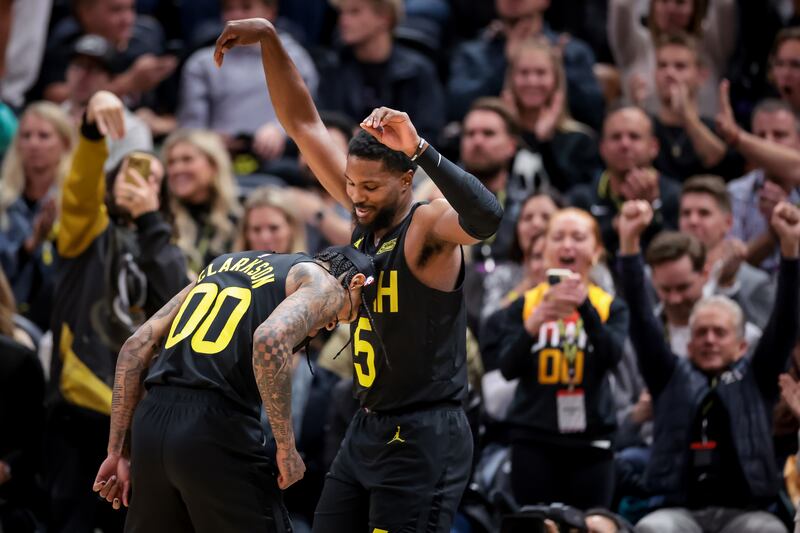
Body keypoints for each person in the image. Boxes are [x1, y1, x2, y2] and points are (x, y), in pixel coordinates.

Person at [214, 16, 503, 532]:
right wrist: (271, 40)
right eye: (350, 183)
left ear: (405, 179)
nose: (355, 196)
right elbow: (302, 123)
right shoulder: (362, 213)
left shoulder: (427, 226)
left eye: (370, 187)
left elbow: (487, 218)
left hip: (425, 431)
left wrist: (422, 149)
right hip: (367, 424)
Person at [92, 246, 376, 532]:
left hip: (151, 422)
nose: (330, 323)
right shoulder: (326, 284)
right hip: (213, 427)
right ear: (353, 284)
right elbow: (269, 339)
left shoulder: (223, 263)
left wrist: (118, 452)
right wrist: (286, 448)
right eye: (343, 316)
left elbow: (135, 345)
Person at [47, 90, 188, 533]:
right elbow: (79, 192)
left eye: (153, 179)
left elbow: (178, 304)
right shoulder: (85, 230)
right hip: (81, 408)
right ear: (110, 179)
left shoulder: (164, 245)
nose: (141, 181)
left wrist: (150, 221)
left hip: (142, 422)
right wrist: (91, 130)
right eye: (132, 170)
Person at [618, 199, 799, 533]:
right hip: (679, 512)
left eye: (720, 332)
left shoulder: (757, 377)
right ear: (688, 342)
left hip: (748, 512)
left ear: (742, 344)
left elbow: (785, 321)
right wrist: (629, 244)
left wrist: (790, 251)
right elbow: (641, 320)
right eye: (701, 332)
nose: (710, 339)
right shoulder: (668, 375)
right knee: (652, 529)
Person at [493, 208, 629, 509]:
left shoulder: (610, 307)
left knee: (587, 525)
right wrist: (533, 325)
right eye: (558, 237)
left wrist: (585, 309)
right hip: (533, 438)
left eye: (578, 238)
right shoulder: (525, 305)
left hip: (592, 439)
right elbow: (506, 368)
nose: (567, 245)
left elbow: (611, 357)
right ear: (545, 249)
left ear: (595, 251)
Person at [178, 0, 319, 163]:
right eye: (229, 9)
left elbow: (306, 114)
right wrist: (211, 141)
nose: (236, 16)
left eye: (246, 7)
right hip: (217, 159)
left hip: (280, 156)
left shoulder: (295, 58)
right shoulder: (201, 63)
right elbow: (191, 128)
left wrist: (279, 130)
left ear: (270, 12)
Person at [568, 106, 681, 259]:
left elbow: (676, 255)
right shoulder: (581, 199)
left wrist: (653, 209)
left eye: (634, 136)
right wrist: (619, 224)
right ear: (602, 148)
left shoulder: (676, 196)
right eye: (616, 137)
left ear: (654, 147)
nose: (625, 144)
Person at [0, 101, 74, 331]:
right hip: (8, 315)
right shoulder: (3, 199)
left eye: (43, 136)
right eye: (26, 136)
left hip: (63, 316)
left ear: (64, 143)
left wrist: (50, 239)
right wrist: (30, 245)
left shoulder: (76, 199)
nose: (33, 144)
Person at [504, 38, 602, 193]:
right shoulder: (495, 137)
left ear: (555, 80)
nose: (532, 81)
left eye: (541, 73)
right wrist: (511, 128)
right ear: (511, 80)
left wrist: (544, 143)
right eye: (524, 73)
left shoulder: (581, 141)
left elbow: (576, 197)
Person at [608, 0, 737, 115]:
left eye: (680, 2)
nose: (670, 9)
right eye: (663, 1)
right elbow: (621, 5)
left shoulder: (711, 45)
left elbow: (724, 5)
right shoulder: (635, 46)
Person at [726, 99, 800, 276]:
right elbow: (730, 271)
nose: (768, 143)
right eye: (760, 136)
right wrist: (773, 232)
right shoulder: (734, 192)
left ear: (798, 140)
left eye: (779, 135)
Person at [162, 129, 242, 273]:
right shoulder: (161, 219)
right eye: (171, 162)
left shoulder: (240, 218)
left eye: (187, 159)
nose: (177, 169)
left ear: (213, 166)